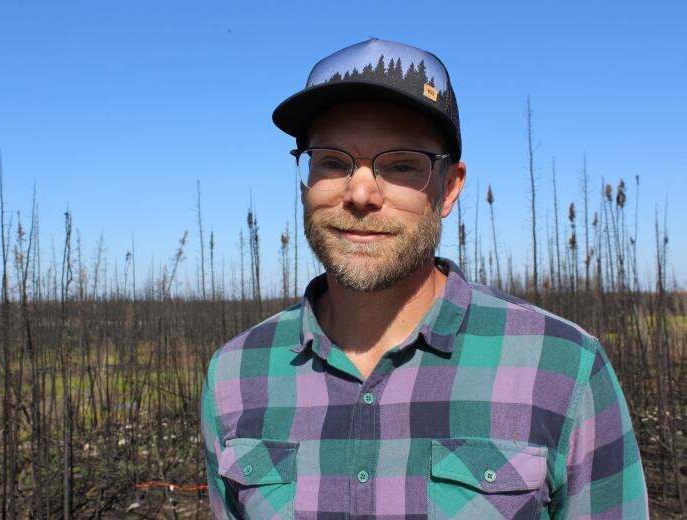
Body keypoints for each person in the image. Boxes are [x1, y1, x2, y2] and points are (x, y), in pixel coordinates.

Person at [201, 38, 648, 519]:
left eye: (400, 166)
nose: (361, 193)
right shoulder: (235, 376)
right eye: (331, 160)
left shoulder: (563, 368)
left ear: (450, 188)